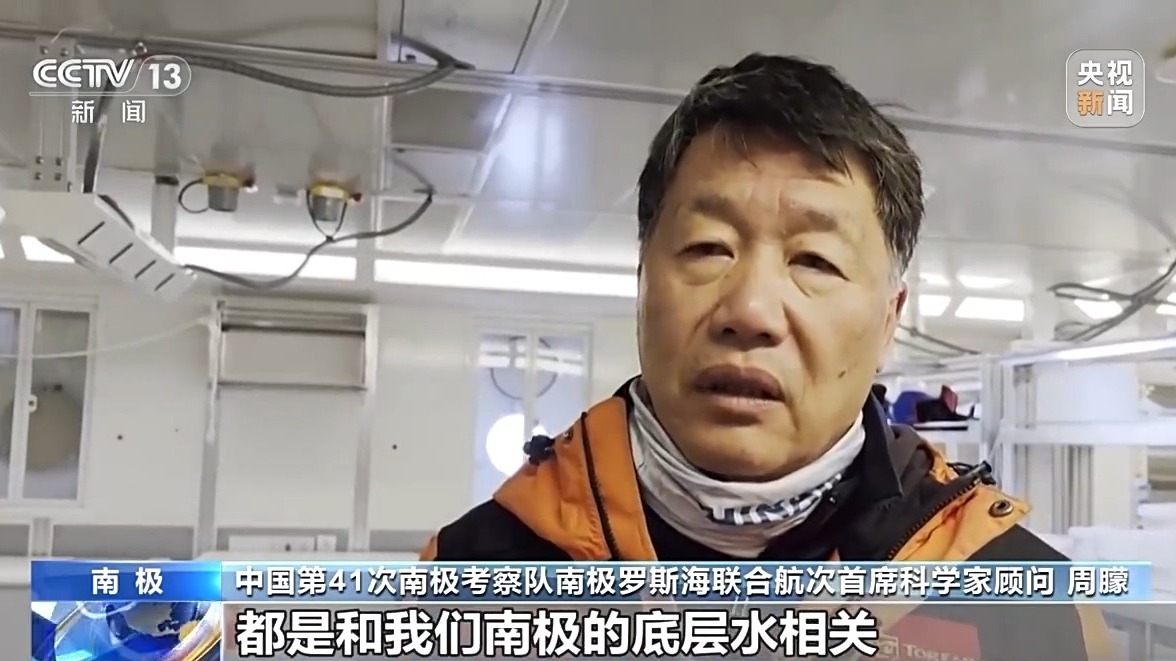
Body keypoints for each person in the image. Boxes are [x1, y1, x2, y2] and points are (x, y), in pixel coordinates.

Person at [421, 54, 1114, 660]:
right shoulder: (467, 585)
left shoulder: (1036, 612)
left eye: (815, 260)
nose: (750, 309)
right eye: (707, 248)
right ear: (642, 281)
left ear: (887, 321)